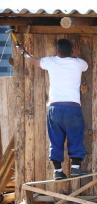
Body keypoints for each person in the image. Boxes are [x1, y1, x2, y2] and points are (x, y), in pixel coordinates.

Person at [21, 39, 88, 179]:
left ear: (57, 51)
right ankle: (75, 168)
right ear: (72, 50)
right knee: (75, 136)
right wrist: (74, 55)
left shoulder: (50, 62)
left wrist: (24, 53)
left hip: (55, 108)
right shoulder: (79, 64)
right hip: (72, 107)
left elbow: (34, 60)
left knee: (55, 138)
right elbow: (85, 66)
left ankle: (57, 171)